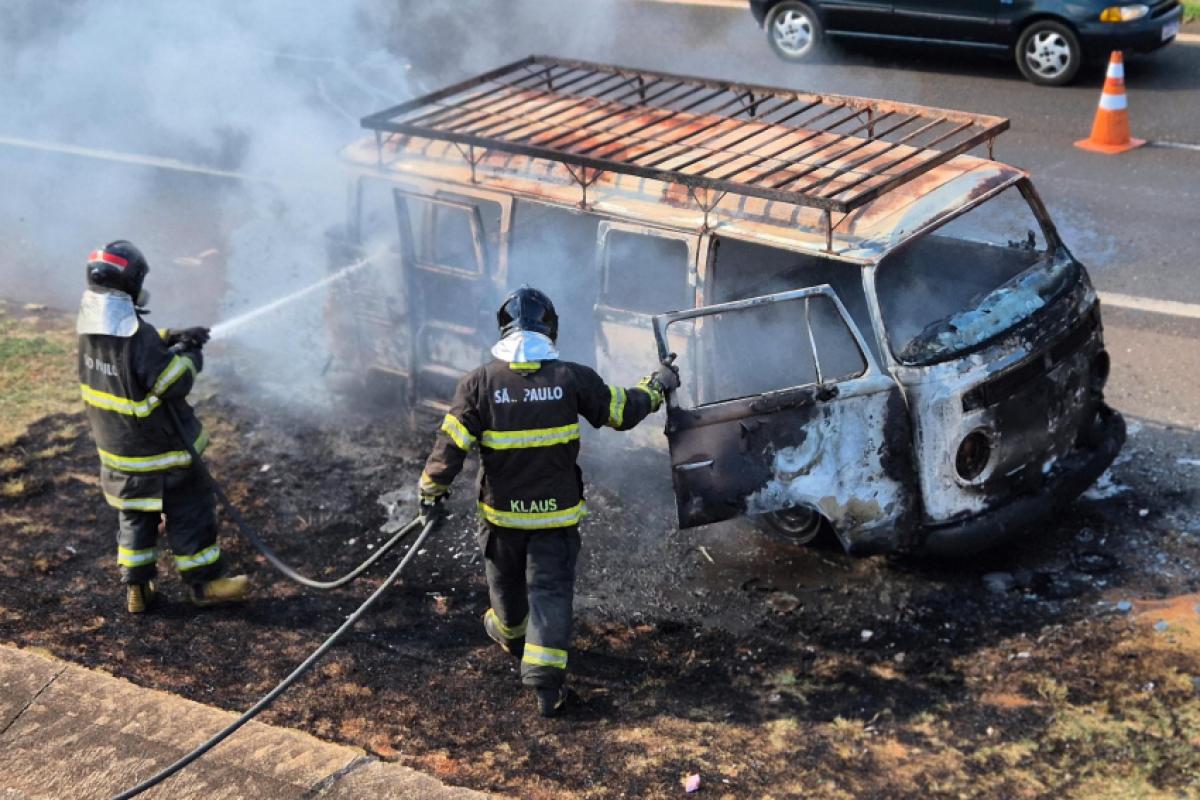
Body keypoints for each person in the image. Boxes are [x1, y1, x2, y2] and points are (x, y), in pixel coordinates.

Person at [418, 286, 679, 717]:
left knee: (505, 585)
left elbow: (450, 446)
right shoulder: (570, 378)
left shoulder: (478, 384)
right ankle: (545, 684)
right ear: (550, 328)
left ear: (502, 329)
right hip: (555, 519)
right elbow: (621, 411)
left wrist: (431, 494)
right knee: (550, 593)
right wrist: (657, 386)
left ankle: (509, 633)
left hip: (502, 520)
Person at [76, 241, 249, 614]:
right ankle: (205, 583)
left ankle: (137, 586)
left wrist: (171, 335)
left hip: (120, 458)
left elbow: (134, 353)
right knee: (191, 511)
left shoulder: (89, 331)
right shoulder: (138, 337)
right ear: (132, 282)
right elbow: (173, 381)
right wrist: (190, 353)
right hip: (163, 454)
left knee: (136, 519)